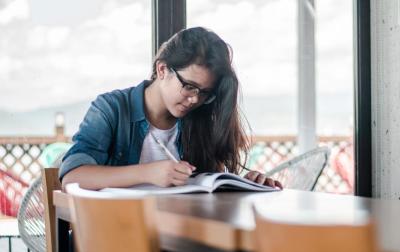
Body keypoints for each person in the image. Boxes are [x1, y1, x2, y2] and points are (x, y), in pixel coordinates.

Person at [60, 27, 282, 190]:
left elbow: (209, 188)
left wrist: (247, 184)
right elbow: (72, 176)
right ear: (163, 69)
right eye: (189, 86)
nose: (195, 99)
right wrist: (147, 172)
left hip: (178, 235)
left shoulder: (199, 118)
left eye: (204, 92)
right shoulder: (112, 108)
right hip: (115, 236)